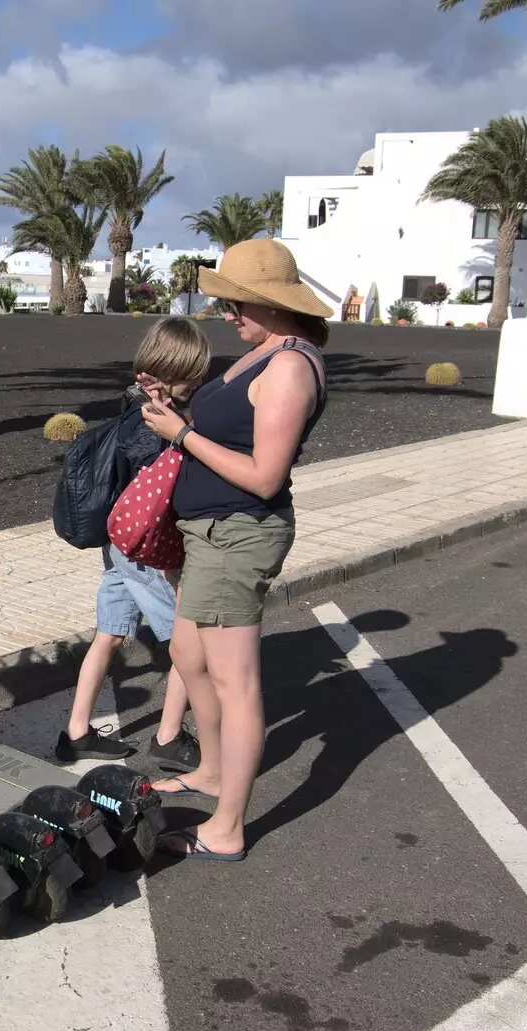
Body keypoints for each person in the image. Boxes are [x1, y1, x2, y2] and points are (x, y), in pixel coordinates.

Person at [137, 239, 331, 862]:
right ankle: (215, 771)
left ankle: (226, 828)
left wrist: (182, 433)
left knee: (236, 682)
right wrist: (175, 408)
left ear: (270, 304)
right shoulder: (265, 354)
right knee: (188, 653)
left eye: (236, 303)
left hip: (236, 534)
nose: (227, 314)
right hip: (210, 533)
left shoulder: (290, 367)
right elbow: (228, 424)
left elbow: (265, 476)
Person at [57, 317, 210, 764]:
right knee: (188, 639)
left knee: (109, 634)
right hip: (147, 548)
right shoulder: (157, 421)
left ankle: (77, 731)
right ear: (179, 369)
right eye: (196, 371)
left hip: (119, 541)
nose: (202, 379)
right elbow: (163, 475)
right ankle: (168, 737)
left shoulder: (134, 400)